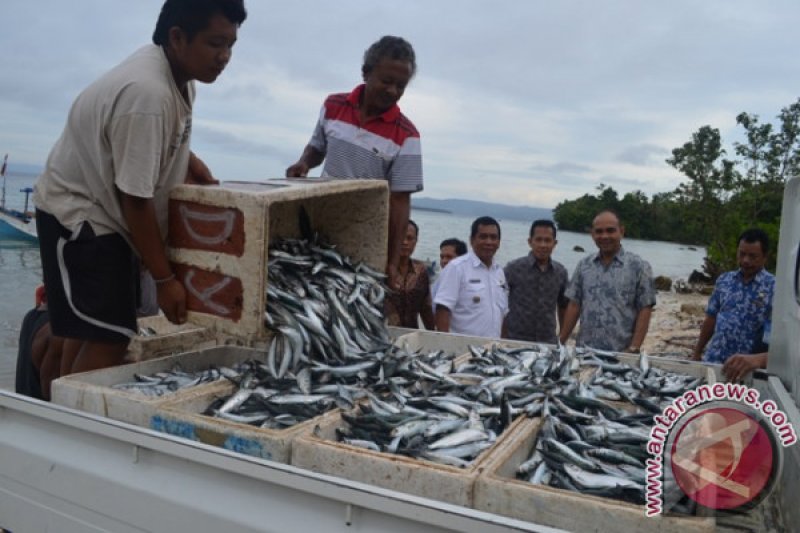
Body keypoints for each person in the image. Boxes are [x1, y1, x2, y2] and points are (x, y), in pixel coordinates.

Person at [32, 0, 247, 379]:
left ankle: (63, 414)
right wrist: (165, 281)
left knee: (90, 333)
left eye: (231, 44)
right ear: (177, 37)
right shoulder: (148, 93)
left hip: (100, 211)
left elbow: (152, 138)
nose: (225, 56)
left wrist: (189, 160)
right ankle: (72, 423)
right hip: (81, 216)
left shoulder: (176, 76)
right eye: (215, 44)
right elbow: (136, 200)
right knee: (110, 339)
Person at [285, 36, 422, 290]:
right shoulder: (333, 105)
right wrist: (304, 163)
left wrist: (392, 262)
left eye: (401, 85)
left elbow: (400, 201)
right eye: (387, 81)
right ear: (366, 73)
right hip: (318, 225)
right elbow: (317, 146)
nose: (393, 91)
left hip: (366, 239)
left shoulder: (407, 135)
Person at [559, 210, 656, 352]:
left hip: (620, 353)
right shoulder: (584, 265)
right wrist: (560, 341)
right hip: (584, 351)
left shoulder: (639, 266)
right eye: (599, 231)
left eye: (610, 231)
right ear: (592, 234)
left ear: (621, 232)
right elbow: (574, 305)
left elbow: (645, 309)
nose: (604, 236)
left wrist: (634, 347)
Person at [691, 228, 775, 371]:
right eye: (741, 254)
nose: (745, 260)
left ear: (765, 257)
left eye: (752, 256)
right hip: (714, 361)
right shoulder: (724, 280)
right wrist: (698, 351)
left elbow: (780, 336)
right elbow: (711, 318)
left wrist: (761, 361)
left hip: (745, 369)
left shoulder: (774, 288)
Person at [434, 217, 508, 338]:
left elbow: (503, 314)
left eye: (493, 237)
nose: (489, 242)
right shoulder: (457, 268)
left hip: (492, 351)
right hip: (462, 349)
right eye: (483, 237)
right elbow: (442, 309)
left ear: (499, 242)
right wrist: (445, 345)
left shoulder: (499, 272)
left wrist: (504, 345)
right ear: (472, 240)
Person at [503, 219, 568, 344]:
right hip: (515, 339)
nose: (543, 245)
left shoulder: (561, 272)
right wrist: (502, 336)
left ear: (554, 243)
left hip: (548, 341)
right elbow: (499, 303)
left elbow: (563, 306)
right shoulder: (513, 268)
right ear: (530, 242)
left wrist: (562, 337)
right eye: (538, 240)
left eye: (547, 240)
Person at [384, 220, 435, 329]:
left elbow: (426, 307)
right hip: (383, 334)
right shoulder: (382, 269)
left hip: (411, 335)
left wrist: (434, 335)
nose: (405, 242)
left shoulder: (421, 271)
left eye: (410, 238)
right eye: (400, 238)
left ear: (416, 242)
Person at [430, 237, 467, 308]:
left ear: (462, 258)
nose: (444, 261)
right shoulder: (439, 282)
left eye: (449, 257)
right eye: (442, 257)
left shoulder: (468, 283)